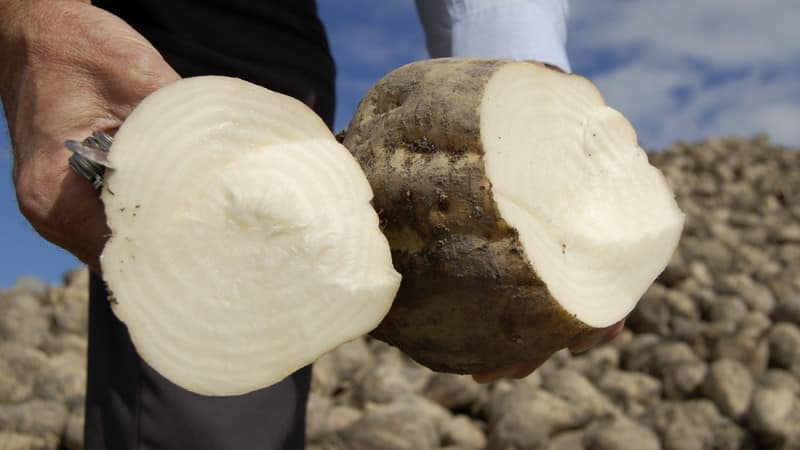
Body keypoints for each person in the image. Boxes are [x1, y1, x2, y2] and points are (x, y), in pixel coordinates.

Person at [0, 1, 623, 448]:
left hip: (274, 40)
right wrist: (33, 18)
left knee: (269, 369)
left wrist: (533, 86)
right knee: (195, 402)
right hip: (147, 23)